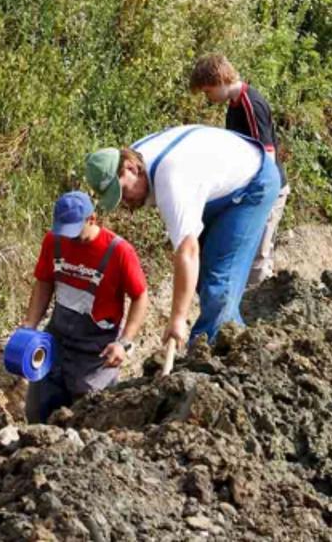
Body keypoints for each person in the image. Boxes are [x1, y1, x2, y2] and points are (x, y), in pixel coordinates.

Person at [84, 123, 280, 349]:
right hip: (218, 185)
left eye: (122, 192)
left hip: (252, 183)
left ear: (131, 168)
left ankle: (215, 356)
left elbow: (187, 251)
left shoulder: (171, 180)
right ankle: (233, 343)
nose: (124, 202)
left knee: (219, 280)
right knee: (202, 277)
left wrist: (177, 318)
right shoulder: (139, 157)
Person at [22, 191, 148, 424]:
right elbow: (44, 282)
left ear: (93, 219)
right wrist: (30, 324)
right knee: (37, 412)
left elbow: (140, 297)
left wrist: (124, 342)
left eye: (74, 232)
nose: (69, 238)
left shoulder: (119, 252)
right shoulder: (54, 240)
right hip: (56, 341)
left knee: (90, 418)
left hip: (96, 354)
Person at [188, 54, 290, 288]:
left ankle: (258, 315)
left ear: (220, 80)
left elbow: (267, 155)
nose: (208, 97)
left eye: (207, 91)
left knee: (258, 255)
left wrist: (259, 198)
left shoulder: (250, 104)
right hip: (250, 189)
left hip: (268, 189)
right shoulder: (234, 105)